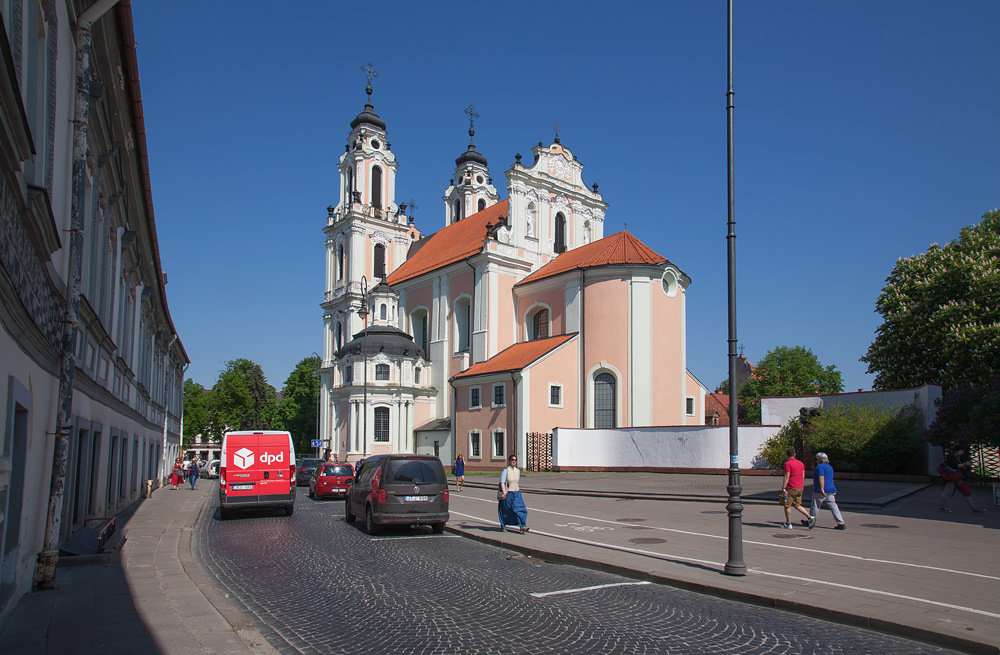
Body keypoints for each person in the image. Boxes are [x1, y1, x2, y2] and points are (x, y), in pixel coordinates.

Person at [938, 445, 987, 513]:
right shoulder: (951, 456)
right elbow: (955, 465)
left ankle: (974, 508)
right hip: (952, 478)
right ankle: (941, 507)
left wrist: (965, 465)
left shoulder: (957, 457)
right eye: (961, 451)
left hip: (957, 477)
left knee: (965, 491)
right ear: (957, 451)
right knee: (948, 492)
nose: (962, 453)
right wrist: (965, 464)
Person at [805, 452, 845, 530]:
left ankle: (811, 520)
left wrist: (821, 489)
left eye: (816, 459)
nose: (816, 461)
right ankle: (841, 522)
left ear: (819, 460)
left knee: (815, 506)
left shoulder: (820, 467)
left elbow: (821, 478)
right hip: (831, 489)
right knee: (833, 506)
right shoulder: (830, 467)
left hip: (821, 490)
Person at [780, 447, 812, 529]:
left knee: (787, 505)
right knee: (797, 504)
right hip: (800, 487)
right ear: (795, 454)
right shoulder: (801, 463)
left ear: (787, 455)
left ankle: (788, 523)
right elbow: (803, 475)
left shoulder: (788, 464)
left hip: (791, 487)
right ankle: (810, 517)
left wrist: (784, 487)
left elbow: (787, 476)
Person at [498, 454, 529, 534]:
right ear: (509, 461)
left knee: (521, 509)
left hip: (517, 492)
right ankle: (503, 525)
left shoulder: (517, 471)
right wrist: (504, 493)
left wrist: (518, 489)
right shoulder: (505, 471)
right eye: (512, 460)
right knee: (506, 510)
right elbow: (502, 482)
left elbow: (517, 482)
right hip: (508, 493)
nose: (514, 461)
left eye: (515, 460)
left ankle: (522, 525)